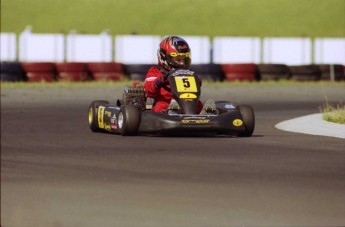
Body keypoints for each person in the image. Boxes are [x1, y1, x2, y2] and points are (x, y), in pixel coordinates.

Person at [144, 36, 204, 113]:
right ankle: (170, 112)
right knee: (160, 107)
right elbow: (148, 90)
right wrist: (158, 83)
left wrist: (197, 81)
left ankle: (207, 113)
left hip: (187, 101)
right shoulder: (156, 71)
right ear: (164, 57)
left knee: (198, 104)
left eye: (184, 59)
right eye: (178, 59)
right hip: (166, 101)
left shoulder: (188, 72)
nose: (182, 63)